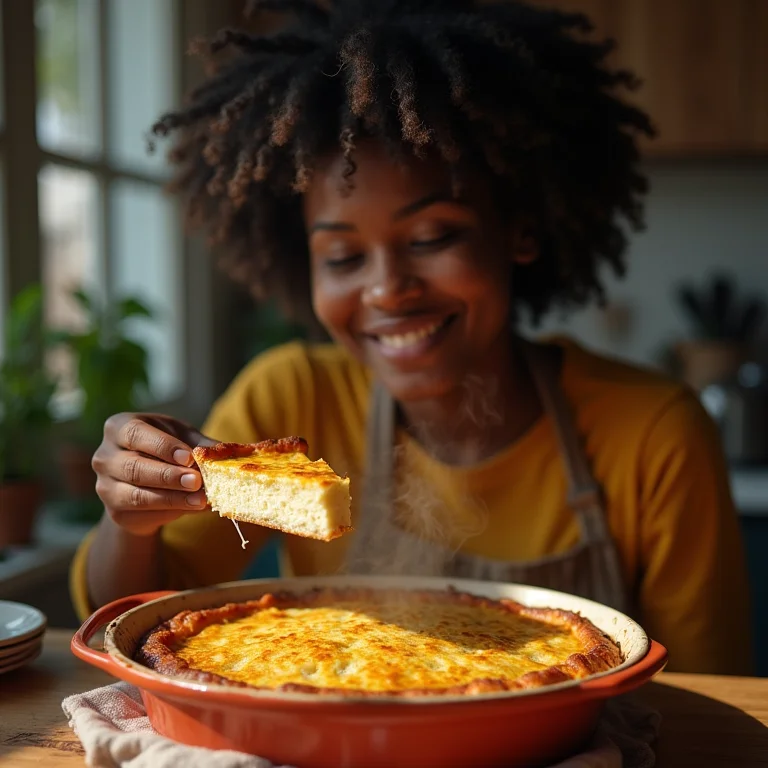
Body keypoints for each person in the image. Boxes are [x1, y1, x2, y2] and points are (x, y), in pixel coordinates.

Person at [70, 0, 753, 675]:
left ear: (520, 229)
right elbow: (133, 618)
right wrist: (131, 520)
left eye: (434, 237)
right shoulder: (291, 396)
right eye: (342, 257)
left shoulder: (655, 434)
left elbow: (710, 699)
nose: (388, 290)